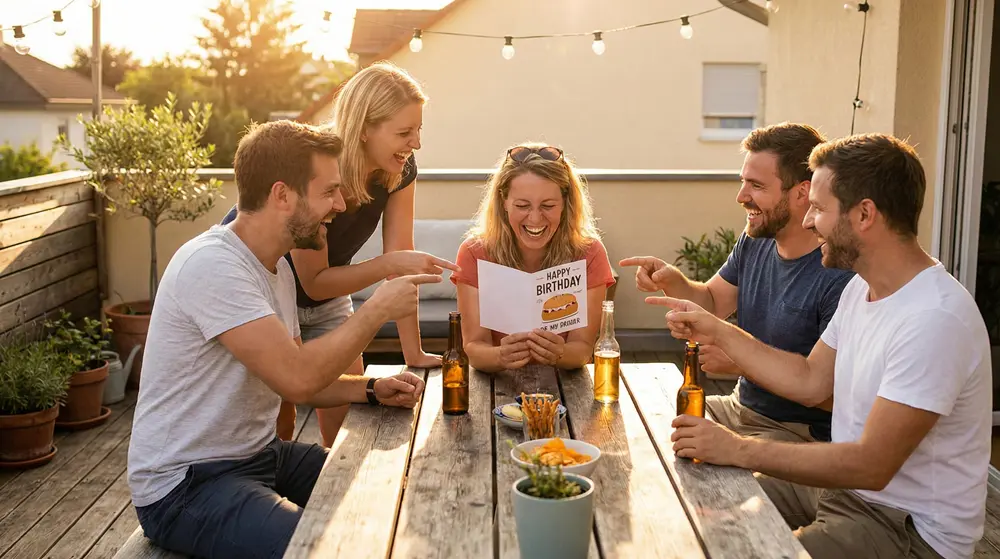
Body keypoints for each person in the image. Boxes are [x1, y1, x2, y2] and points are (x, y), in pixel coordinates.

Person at [652, 133, 991, 559]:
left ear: (864, 214)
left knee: (747, 550)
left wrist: (736, 448)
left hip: (906, 530)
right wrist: (717, 330)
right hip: (846, 493)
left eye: (819, 208)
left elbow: (871, 465)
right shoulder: (862, 290)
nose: (809, 221)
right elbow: (811, 380)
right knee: (702, 503)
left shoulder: (934, 319)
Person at [128, 120, 438, 558]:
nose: (341, 204)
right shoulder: (213, 265)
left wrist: (369, 388)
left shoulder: (276, 270)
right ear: (282, 195)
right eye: (329, 191)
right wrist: (377, 309)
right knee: (324, 550)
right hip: (186, 485)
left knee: (390, 486)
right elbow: (297, 379)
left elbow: (297, 376)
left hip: (261, 455)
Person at [221, 62, 457, 447]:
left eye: (418, 130)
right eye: (403, 132)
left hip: (330, 295)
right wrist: (388, 266)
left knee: (350, 421)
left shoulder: (399, 168)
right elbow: (314, 283)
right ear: (364, 128)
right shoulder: (317, 167)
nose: (415, 143)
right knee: (279, 421)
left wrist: (413, 352)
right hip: (268, 293)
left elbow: (399, 257)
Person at [620, 122, 854, 442]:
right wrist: (673, 280)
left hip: (795, 433)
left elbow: (831, 394)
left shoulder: (840, 275)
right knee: (644, 425)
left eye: (756, 186)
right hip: (737, 409)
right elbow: (713, 302)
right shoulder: (756, 239)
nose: (741, 196)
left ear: (802, 192)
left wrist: (740, 363)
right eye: (743, 182)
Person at [450, 143, 616, 372]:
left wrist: (560, 353)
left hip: (564, 384)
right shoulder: (474, 252)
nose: (535, 219)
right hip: (497, 383)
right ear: (504, 202)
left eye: (548, 205)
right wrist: (499, 356)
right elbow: (473, 348)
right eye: (522, 205)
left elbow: (583, 349)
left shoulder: (589, 252)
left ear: (565, 204)